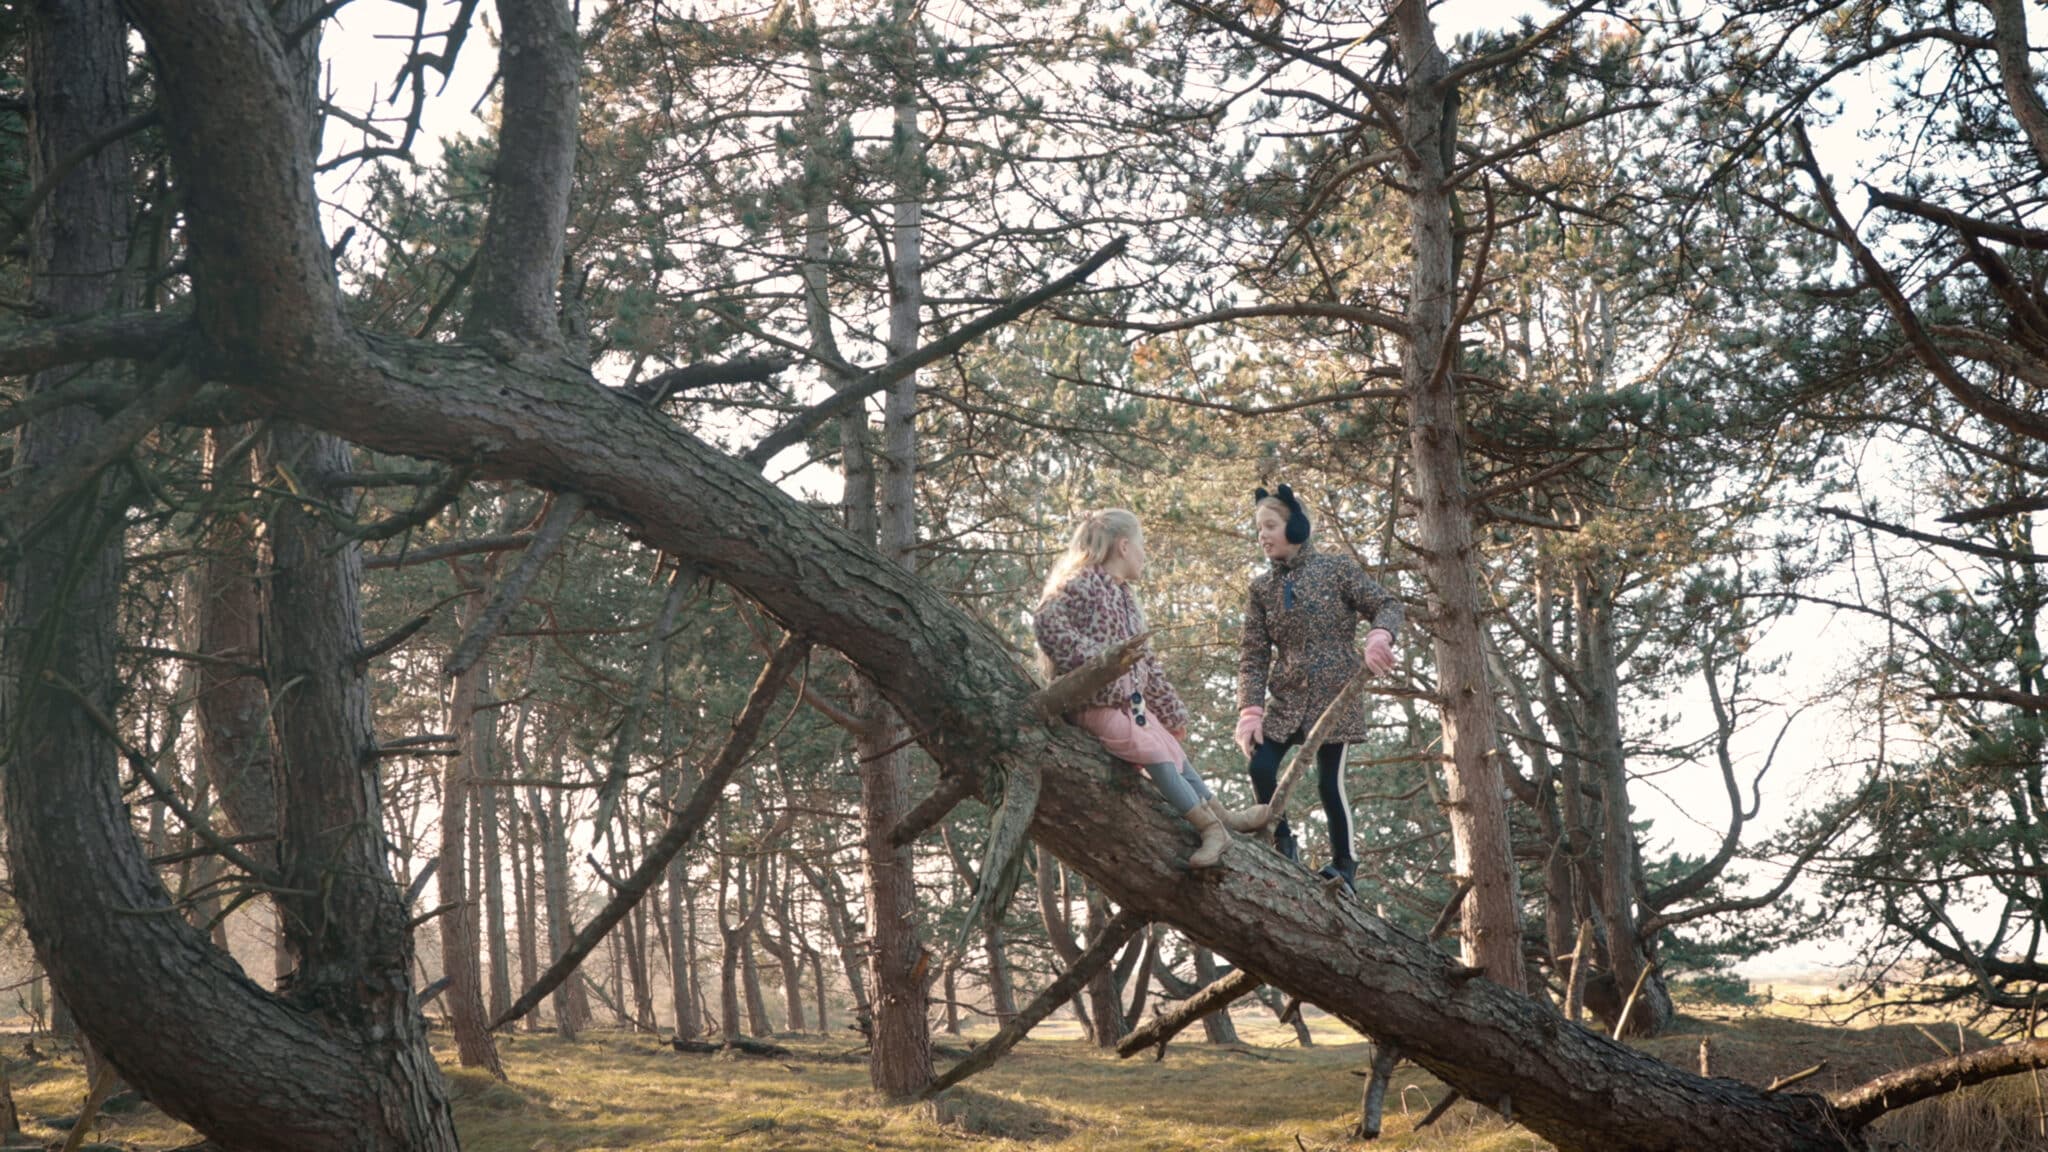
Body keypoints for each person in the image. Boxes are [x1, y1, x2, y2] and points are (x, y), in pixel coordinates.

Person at [1033, 508, 1268, 869]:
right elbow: (1047, 623)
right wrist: (1098, 665)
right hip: (1095, 705)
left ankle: (1224, 816)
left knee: (1172, 748)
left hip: (1130, 706)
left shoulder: (1125, 598)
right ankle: (1210, 829)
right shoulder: (1081, 584)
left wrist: (1170, 711)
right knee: (1153, 752)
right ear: (1124, 546)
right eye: (1142, 545)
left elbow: (1147, 666)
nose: (1146, 554)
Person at [1235, 484, 1402, 893]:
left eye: (1270, 525)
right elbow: (1253, 655)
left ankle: (1345, 865)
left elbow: (1388, 604)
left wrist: (1379, 636)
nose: (1263, 534)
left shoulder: (1337, 570)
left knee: (1330, 783)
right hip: (1288, 699)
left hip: (1335, 696)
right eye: (1258, 528)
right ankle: (1283, 845)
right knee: (1260, 766)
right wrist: (1250, 711)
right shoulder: (1261, 590)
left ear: (1296, 526)